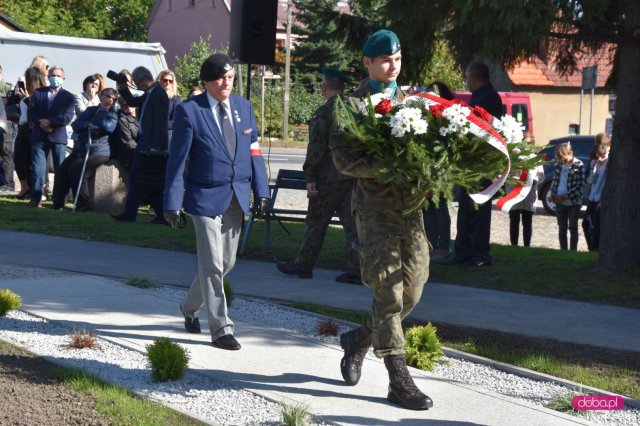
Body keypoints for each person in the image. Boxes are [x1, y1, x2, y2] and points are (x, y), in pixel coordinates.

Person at [329, 29, 433, 411]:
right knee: (388, 292)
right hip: (374, 211)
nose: (393, 66)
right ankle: (398, 379)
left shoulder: (416, 103)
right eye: (385, 60)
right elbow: (344, 159)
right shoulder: (350, 106)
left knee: (414, 289)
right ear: (367, 63)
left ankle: (358, 339)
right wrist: (389, 167)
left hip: (412, 210)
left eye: (398, 58)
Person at [164, 54, 270, 350]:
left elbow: (254, 152)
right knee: (211, 262)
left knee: (225, 263)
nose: (227, 83)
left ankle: (188, 307)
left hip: (236, 194)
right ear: (207, 82)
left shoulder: (244, 107)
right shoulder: (190, 111)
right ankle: (221, 328)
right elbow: (178, 160)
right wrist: (172, 200)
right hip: (203, 196)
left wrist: (262, 191)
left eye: (231, 78)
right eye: (221, 78)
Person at [276, 68, 360, 284]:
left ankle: (304, 264)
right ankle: (357, 269)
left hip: (327, 180)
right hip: (350, 177)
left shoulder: (324, 112)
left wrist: (310, 177)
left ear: (324, 87)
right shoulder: (356, 111)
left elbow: (316, 148)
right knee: (353, 226)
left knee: (316, 223)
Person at [450, 62, 503, 266]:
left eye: (467, 77)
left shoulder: (489, 97)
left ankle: (480, 254)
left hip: (481, 162)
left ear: (474, 77)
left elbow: (485, 128)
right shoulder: (478, 96)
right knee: (465, 208)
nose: (467, 81)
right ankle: (463, 252)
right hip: (470, 162)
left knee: (478, 211)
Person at [112, 66, 169, 224]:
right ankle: (156, 214)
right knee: (142, 178)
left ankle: (135, 213)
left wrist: (156, 146)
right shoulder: (150, 93)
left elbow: (161, 122)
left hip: (152, 145)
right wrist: (123, 87)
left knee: (144, 178)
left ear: (144, 79)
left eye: (137, 82)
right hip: (146, 142)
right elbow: (132, 101)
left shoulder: (158, 94)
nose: (136, 86)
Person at [52, 88, 118, 211]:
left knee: (76, 170)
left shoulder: (112, 114)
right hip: (81, 149)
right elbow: (76, 124)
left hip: (98, 151)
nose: (109, 100)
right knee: (62, 169)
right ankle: (58, 202)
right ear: (101, 96)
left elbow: (108, 128)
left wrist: (103, 111)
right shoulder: (90, 110)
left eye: (113, 99)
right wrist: (87, 125)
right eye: (107, 96)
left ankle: (85, 203)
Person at [27, 66, 75, 208]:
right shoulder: (38, 93)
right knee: (37, 168)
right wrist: (41, 123)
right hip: (39, 136)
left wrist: (50, 123)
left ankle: (59, 201)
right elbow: (31, 112)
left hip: (58, 137)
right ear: (48, 77)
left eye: (58, 75)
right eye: (53, 75)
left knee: (61, 169)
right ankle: (36, 199)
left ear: (63, 78)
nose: (55, 78)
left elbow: (67, 117)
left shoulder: (68, 96)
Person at [423, 81, 454, 260]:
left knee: (439, 207)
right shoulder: (426, 117)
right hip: (425, 167)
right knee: (428, 208)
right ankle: (431, 245)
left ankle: (443, 246)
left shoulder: (444, 117)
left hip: (440, 168)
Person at [12, 68, 47, 199]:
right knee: (19, 159)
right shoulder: (24, 92)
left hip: (35, 130)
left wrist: (26, 99)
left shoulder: (42, 94)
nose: (24, 81)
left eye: (27, 79)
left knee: (36, 162)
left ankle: (38, 190)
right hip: (23, 129)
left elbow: (38, 111)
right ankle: (24, 187)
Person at [507, 134, 545, 247]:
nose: (526, 146)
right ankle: (514, 245)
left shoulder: (535, 158)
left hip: (529, 194)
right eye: (524, 143)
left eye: (528, 144)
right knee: (514, 220)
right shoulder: (514, 156)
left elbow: (541, 176)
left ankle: (526, 246)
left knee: (527, 221)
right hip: (515, 192)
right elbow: (507, 172)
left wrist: (534, 179)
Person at [550, 142, 584, 251]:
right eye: (560, 159)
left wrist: (566, 196)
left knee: (573, 228)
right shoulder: (558, 165)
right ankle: (563, 251)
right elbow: (555, 181)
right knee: (562, 228)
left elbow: (579, 185)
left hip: (573, 201)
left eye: (563, 158)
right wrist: (553, 193)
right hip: (560, 201)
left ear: (570, 153)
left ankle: (573, 251)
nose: (561, 160)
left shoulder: (579, 165)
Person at [582, 143, 607, 251]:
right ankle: (591, 247)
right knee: (586, 223)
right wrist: (593, 168)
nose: (599, 159)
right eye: (597, 157)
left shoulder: (609, 163)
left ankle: (596, 249)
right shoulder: (594, 163)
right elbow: (589, 181)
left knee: (597, 226)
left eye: (601, 157)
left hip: (601, 199)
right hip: (593, 197)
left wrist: (604, 199)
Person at [111, 96, 138, 171]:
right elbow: (128, 143)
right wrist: (142, 150)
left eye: (129, 103)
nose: (127, 105)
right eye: (123, 104)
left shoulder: (142, 117)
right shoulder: (122, 120)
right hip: (131, 157)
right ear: (120, 106)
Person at [156, 69, 181, 143]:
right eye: (165, 80)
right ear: (160, 81)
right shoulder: (152, 98)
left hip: (167, 137)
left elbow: (176, 121)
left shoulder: (175, 99)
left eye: (170, 81)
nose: (168, 83)